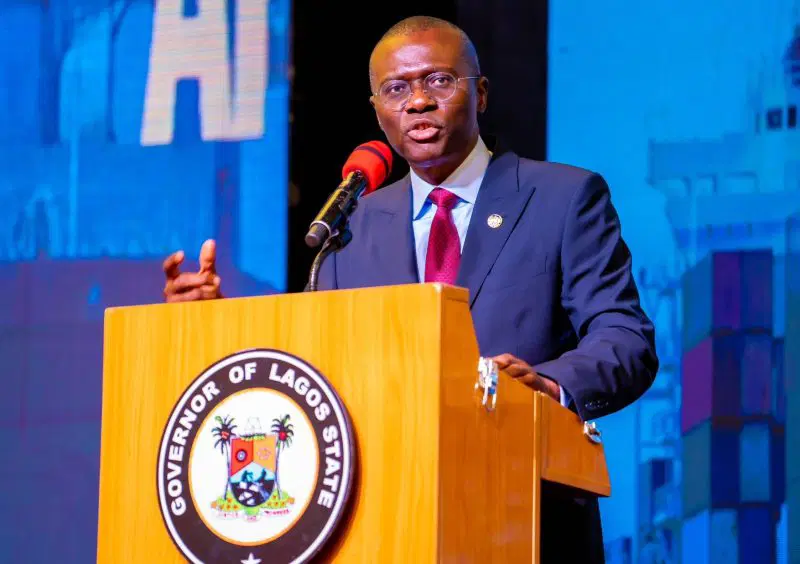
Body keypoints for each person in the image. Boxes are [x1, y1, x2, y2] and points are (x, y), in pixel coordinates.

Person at [162, 15, 658, 563]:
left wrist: (549, 386)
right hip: (379, 525)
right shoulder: (349, 230)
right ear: (377, 110)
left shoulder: (562, 197)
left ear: (481, 93)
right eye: (396, 89)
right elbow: (308, 371)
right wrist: (212, 322)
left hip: (524, 514)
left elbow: (625, 338)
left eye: (439, 81)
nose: (418, 102)